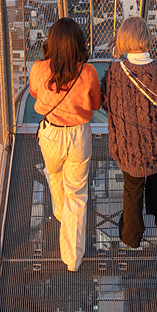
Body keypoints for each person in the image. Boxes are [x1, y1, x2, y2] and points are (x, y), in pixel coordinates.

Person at [100, 16, 157, 249]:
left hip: (129, 147)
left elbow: (105, 101)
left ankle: (131, 237)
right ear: (147, 39)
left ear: (123, 40)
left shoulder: (114, 71)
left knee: (132, 189)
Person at [30, 17, 101, 271]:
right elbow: (95, 105)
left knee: (54, 174)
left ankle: (61, 215)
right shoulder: (88, 72)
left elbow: (35, 93)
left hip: (51, 134)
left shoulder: (39, 69)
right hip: (78, 135)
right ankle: (72, 258)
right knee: (77, 194)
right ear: (78, 43)